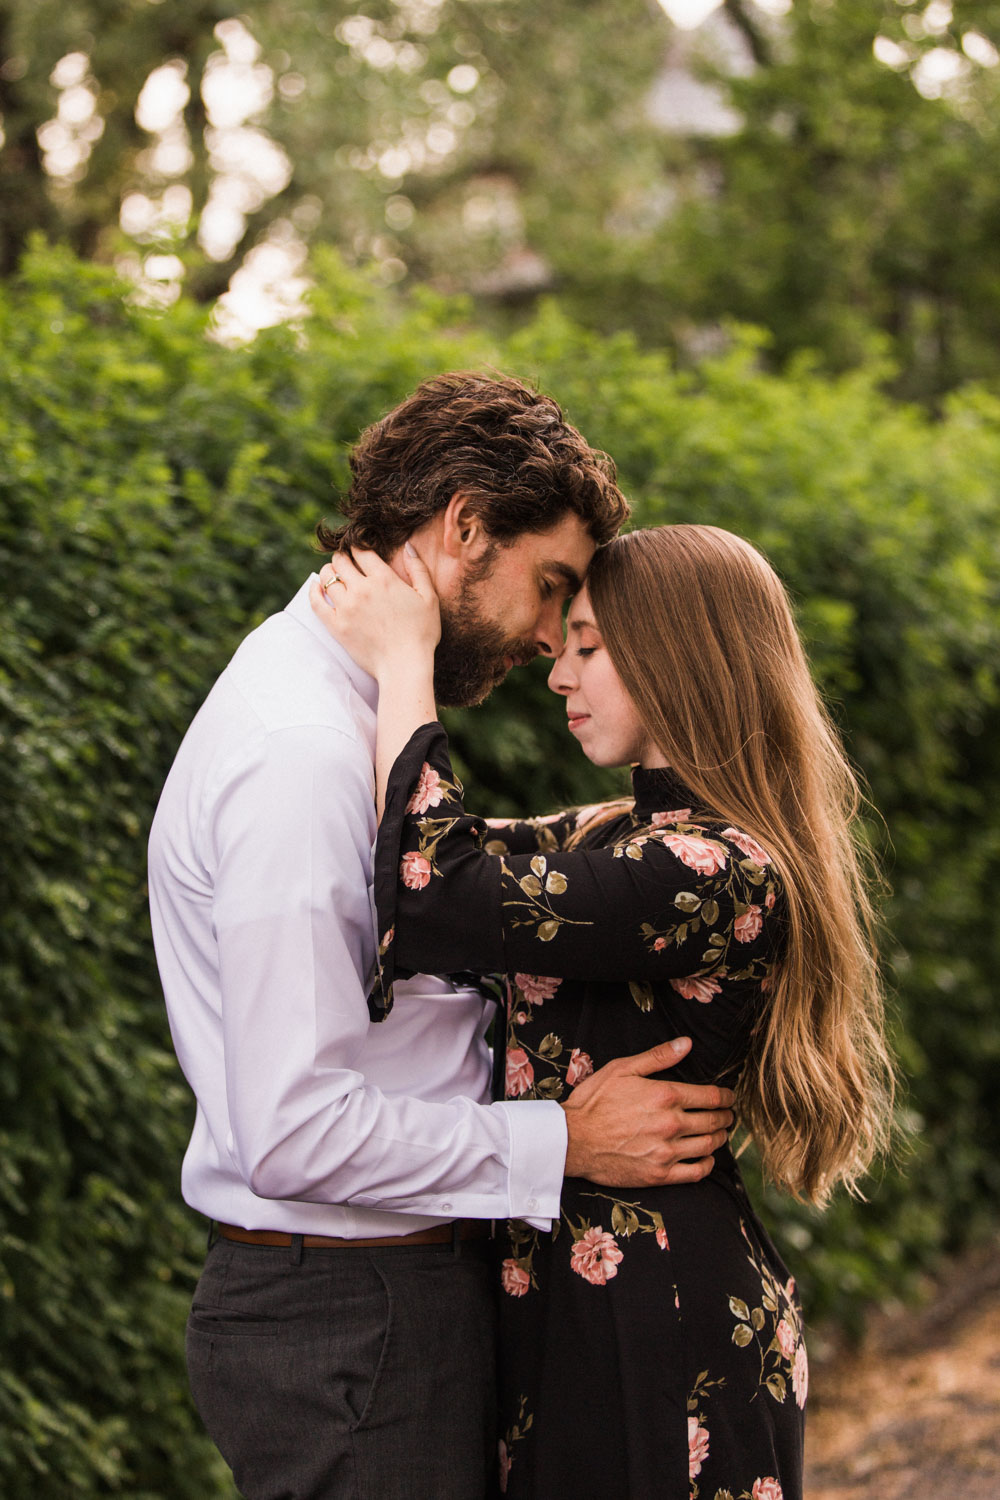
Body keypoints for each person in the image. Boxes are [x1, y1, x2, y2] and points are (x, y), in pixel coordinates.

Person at [147, 374, 738, 1500]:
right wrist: (558, 1143)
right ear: (465, 525)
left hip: (387, 1304)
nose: (544, 638)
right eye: (548, 586)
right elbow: (292, 1131)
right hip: (354, 1329)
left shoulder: (350, 713)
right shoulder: (301, 755)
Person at [310, 522, 896, 1500]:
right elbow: (407, 864)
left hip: (660, 1319)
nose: (558, 677)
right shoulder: (621, 834)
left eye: (586, 646)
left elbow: (435, 888)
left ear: (678, 654)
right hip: (578, 1307)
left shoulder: (717, 868)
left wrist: (404, 655)